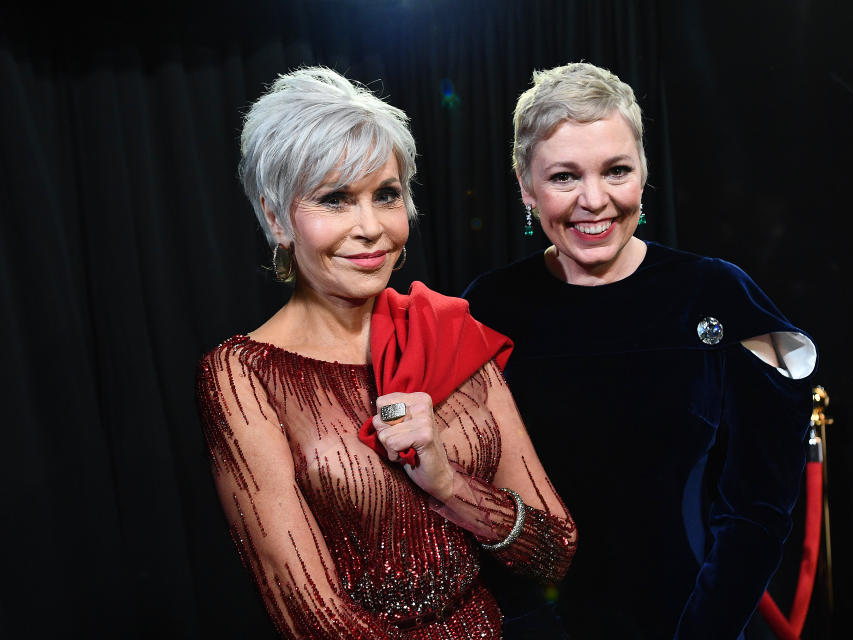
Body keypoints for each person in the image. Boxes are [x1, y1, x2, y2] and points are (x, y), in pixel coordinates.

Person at [195, 66, 576, 640]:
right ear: (276, 218)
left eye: (386, 195)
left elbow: (555, 552)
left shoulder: (446, 330)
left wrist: (448, 484)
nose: (371, 227)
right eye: (335, 199)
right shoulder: (243, 374)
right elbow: (311, 619)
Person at [463, 62, 818, 639]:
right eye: (563, 177)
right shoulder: (491, 306)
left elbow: (757, 508)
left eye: (616, 170)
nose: (594, 200)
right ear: (526, 187)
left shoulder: (716, 293)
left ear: (643, 171)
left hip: (687, 621)